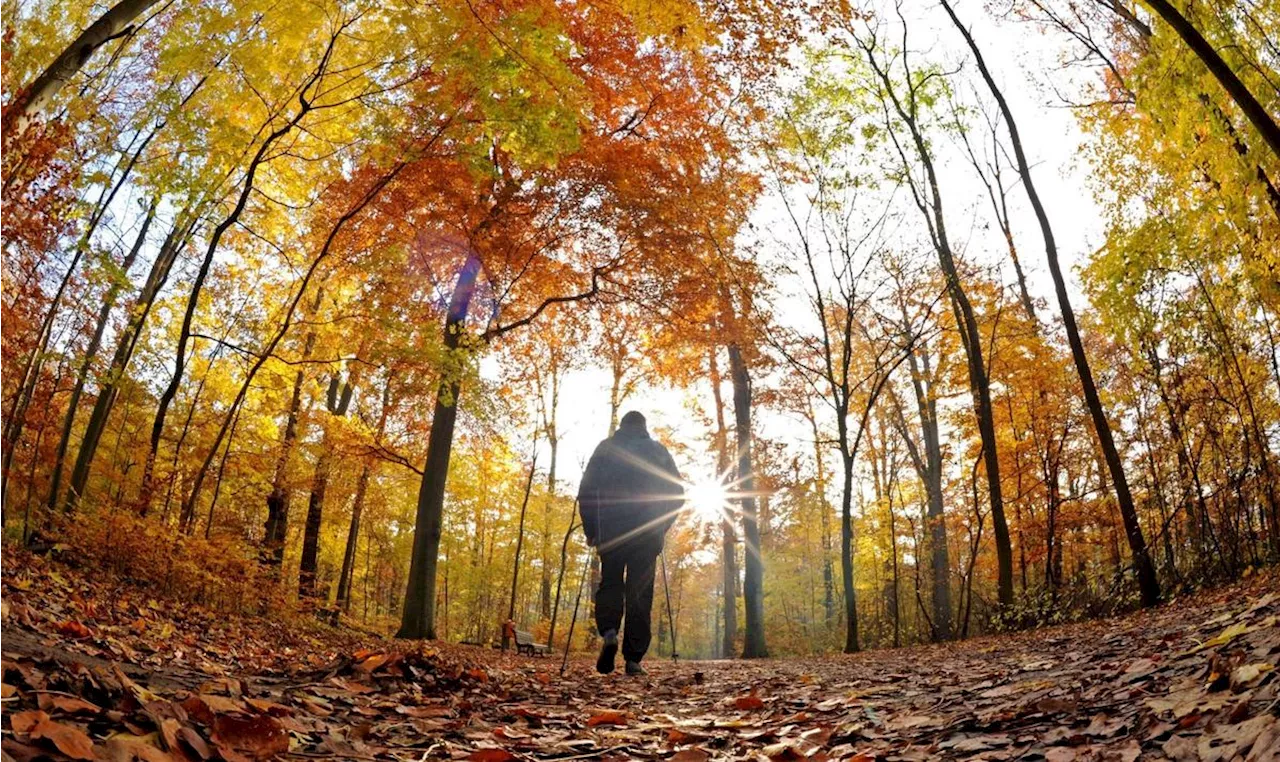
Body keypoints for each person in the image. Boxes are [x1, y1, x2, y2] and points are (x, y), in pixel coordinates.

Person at [577, 411, 684, 676]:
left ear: (621, 427)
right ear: (644, 428)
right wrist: (662, 526)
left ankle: (610, 633)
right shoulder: (659, 451)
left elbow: (586, 492)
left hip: (611, 531)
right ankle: (634, 660)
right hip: (647, 534)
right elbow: (677, 494)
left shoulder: (606, 448)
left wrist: (591, 530)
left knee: (610, 583)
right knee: (640, 592)